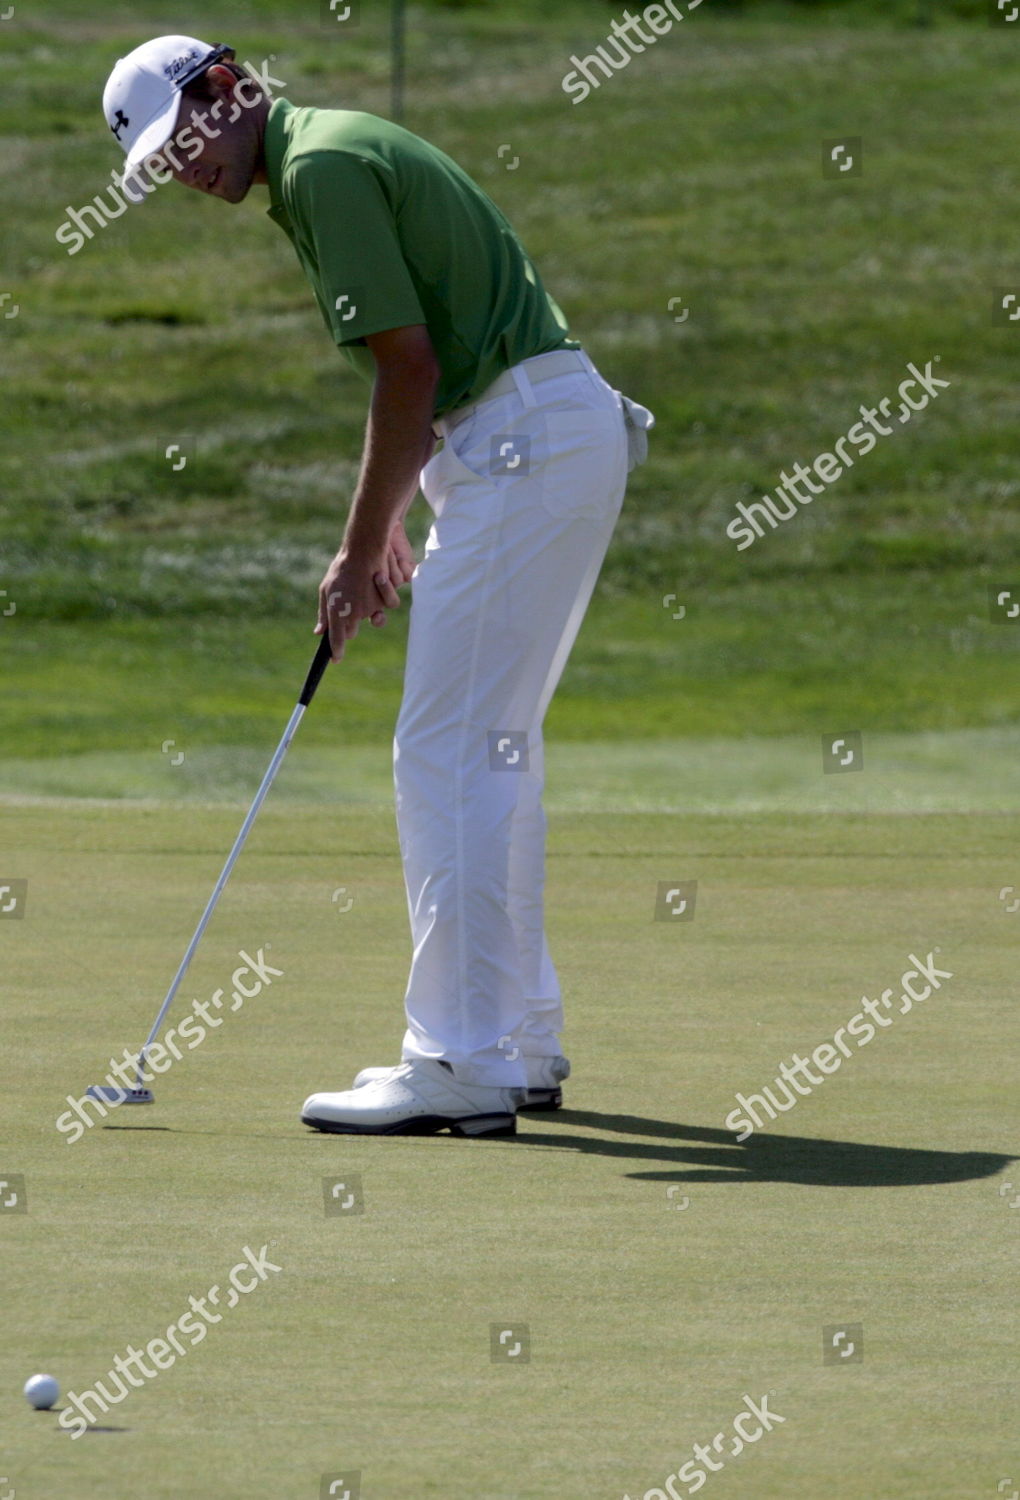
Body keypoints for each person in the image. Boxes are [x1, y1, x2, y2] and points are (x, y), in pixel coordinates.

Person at [102, 35, 654, 1137]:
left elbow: (410, 367)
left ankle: (458, 1057)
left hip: (525, 446)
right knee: (492, 745)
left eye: (185, 138)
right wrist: (398, 515)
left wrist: (360, 552)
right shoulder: (328, 157)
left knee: (445, 750)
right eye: (163, 162)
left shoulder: (320, 170)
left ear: (225, 88)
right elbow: (430, 367)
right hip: (544, 439)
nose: (185, 169)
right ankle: (519, 1041)